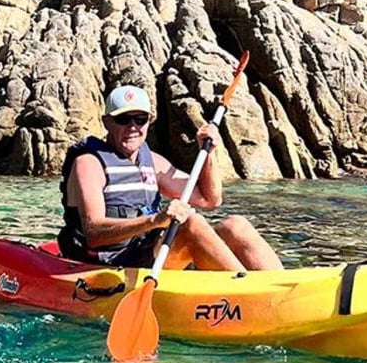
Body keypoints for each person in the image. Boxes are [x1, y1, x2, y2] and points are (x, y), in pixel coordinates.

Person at [57, 84, 283, 272]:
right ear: (107, 122)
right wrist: (156, 220)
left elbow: (210, 200)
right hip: (112, 262)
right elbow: (94, 233)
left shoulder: (152, 161)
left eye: (140, 119)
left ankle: (282, 291)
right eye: (124, 119)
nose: (133, 127)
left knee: (236, 226)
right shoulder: (88, 163)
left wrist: (208, 153)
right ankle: (246, 297)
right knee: (191, 223)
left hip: (147, 250)